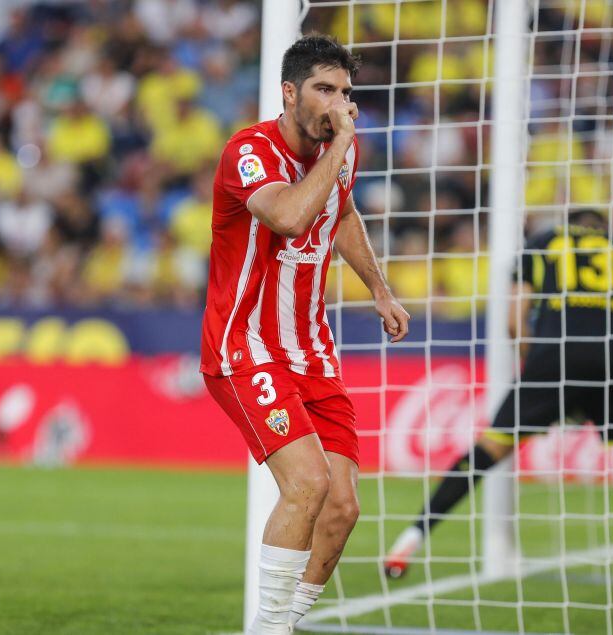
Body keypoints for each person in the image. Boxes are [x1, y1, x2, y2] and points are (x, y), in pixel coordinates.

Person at [384, 209, 613, 595]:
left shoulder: (541, 243)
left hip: (554, 357)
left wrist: (544, 382)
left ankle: (410, 540)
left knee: (489, 450)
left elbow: (515, 323)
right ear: (603, 229)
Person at [200, 35, 410, 634]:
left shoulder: (340, 152)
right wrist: (341, 143)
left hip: (311, 351)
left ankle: (283, 624)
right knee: (309, 484)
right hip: (244, 348)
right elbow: (290, 215)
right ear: (289, 93)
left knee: (342, 506)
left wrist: (379, 287)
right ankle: (265, 630)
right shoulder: (250, 152)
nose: (338, 104)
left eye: (345, 92)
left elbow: (339, 212)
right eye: (324, 89)